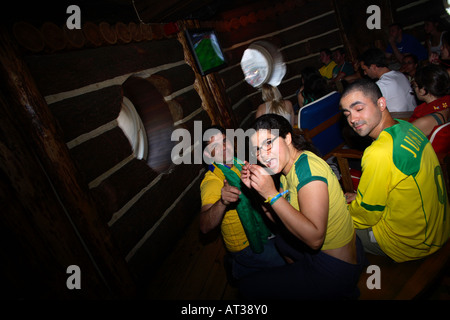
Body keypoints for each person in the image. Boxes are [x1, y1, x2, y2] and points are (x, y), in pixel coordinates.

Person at [238, 114, 366, 299]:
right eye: (257, 150)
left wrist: (271, 194)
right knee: (282, 242)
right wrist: (259, 192)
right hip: (328, 254)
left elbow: (314, 238)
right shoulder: (284, 170)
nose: (263, 155)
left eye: (268, 143)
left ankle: (333, 290)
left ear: (288, 138)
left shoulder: (308, 170)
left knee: (247, 287)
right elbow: (280, 220)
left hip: (338, 268)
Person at [340, 79, 450, 263]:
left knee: (331, 227)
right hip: (439, 227)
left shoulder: (379, 153)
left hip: (414, 242)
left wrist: (340, 210)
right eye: (347, 114)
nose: (352, 119)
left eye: (358, 109)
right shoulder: (406, 126)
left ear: (381, 103)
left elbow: (366, 215)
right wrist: (359, 199)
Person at [199, 125, 286, 281]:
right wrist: (222, 201)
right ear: (207, 154)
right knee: (285, 260)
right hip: (244, 245)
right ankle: (239, 264)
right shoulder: (212, 182)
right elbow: (204, 226)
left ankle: (238, 268)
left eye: (225, 141)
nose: (224, 147)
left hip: (261, 228)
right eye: (215, 145)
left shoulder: (239, 164)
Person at [360, 47, 417, 112]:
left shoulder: (382, 84)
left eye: (365, 69)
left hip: (401, 119)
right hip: (413, 115)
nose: (365, 73)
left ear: (373, 67)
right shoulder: (400, 75)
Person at [410, 64, 450, 137]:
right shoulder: (446, 105)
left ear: (423, 91)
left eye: (415, 86)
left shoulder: (424, 121)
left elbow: (397, 139)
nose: (414, 90)